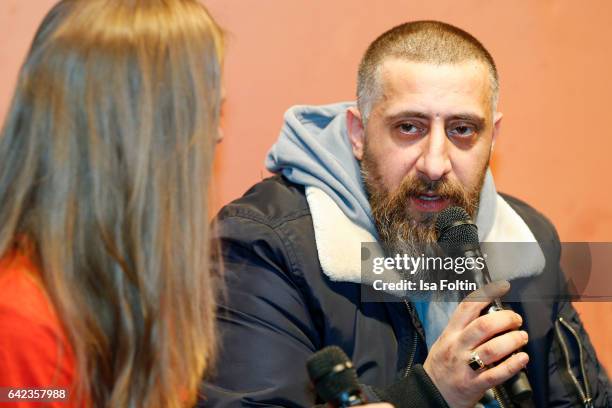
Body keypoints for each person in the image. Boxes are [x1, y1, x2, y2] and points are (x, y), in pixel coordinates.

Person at [200, 21, 611, 407]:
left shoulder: (528, 242)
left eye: (462, 130)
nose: (435, 164)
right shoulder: (263, 246)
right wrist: (430, 393)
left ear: (493, 138)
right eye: (409, 128)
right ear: (358, 134)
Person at [0, 0, 224, 406]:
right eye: (205, 113)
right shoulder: (21, 323)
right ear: (139, 134)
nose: (217, 134)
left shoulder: (137, 288)